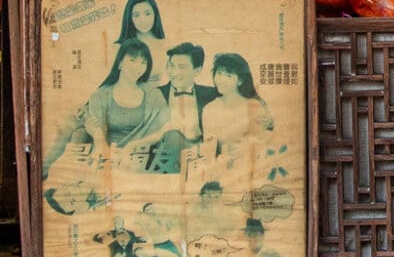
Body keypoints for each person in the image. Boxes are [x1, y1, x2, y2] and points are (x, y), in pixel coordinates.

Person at [42, 43, 170, 208]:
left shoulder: (153, 94)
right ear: (120, 63)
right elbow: (99, 140)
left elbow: (166, 126)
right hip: (108, 155)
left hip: (143, 153)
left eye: (143, 62)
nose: (139, 66)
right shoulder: (101, 95)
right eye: (133, 60)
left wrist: (135, 147)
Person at [148, 43, 219, 175]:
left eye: (181, 67)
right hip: (164, 165)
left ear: (197, 70)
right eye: (171, 65)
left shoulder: (211, 95)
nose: (174, 73)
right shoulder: (154, 95)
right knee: (172, 136)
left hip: (200, 164)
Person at [202, 52, 275, 175]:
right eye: (219, 73)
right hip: (221, 171)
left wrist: (246, 148)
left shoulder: (254, 106)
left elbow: (264, 144)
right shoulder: (209, 109)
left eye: (229, 76)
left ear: (240, 80)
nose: (221, 80)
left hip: (251, 170)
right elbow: (209, 149)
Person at [115, 0, 168, 85]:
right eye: (136, 15)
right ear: (130, 18)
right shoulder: (118, 48)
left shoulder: (166, 45)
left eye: (147, 13)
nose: (143, 19)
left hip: (157, 97)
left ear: (155, 14)